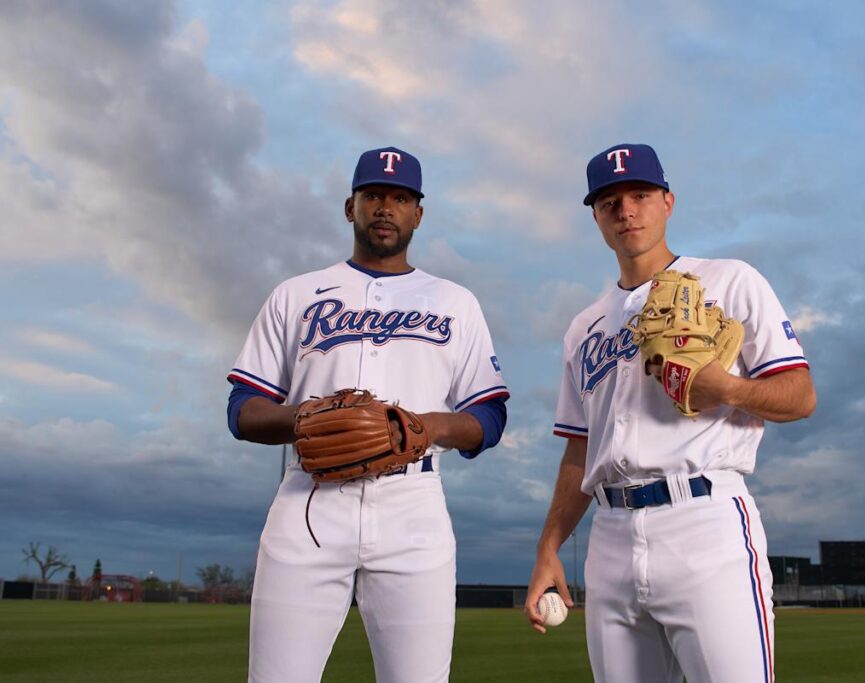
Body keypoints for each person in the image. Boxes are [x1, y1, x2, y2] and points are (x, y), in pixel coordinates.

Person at [524, 143, 815, 683]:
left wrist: (729, 389)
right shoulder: (583, 328)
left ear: (667, 202)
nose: (626, 211)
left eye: (639, 195)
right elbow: (579, 450)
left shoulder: (729, 281)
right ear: (595, 217)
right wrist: (548, 548)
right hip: (608, 538)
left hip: (703, 522)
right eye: (609, 202)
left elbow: (800, 395)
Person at [227, 146, 510, 683]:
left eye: (400, 197)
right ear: (349, 206)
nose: (385, 207)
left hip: (414, 506)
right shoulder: (296, 294)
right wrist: (310, 418)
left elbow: (489, 417)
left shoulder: (456, 302)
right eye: (373, 195)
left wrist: (423, 428)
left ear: (418, 214)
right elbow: (243, 409)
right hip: (309, 500)